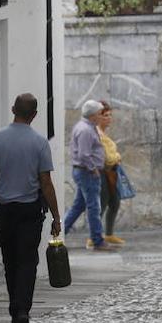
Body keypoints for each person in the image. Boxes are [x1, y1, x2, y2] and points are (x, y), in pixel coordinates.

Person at [0, 93, 62, 323]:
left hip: (5, 212)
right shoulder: (40, 143)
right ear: (34, 115)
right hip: (31, 211)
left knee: (10, 260)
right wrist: (56, 216)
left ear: (13, 109)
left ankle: (16, 308)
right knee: (28, 260)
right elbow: (46, 183)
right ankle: (22, 309)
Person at [63, 99, 117, 252]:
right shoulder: (86, 130)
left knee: (78, 206)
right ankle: (97, 240)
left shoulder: (87, 127)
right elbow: (84, 154)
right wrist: (94, 169)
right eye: (101, 113)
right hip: (87, 172)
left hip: (85, 171)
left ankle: (60, 233)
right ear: (94, 115)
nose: (102, 116)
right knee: (94, 206)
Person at [97, 101, 125, 247]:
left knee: (114, 202)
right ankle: (95, 236)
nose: (109, 118)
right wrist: (117, 157)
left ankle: (108, 234)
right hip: (103, 173)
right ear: (99, 117)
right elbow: (106, 158)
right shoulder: (98, 134)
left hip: (111, 174)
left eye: (110, 115)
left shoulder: (103, 133)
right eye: (106, 115)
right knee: (101, 204)